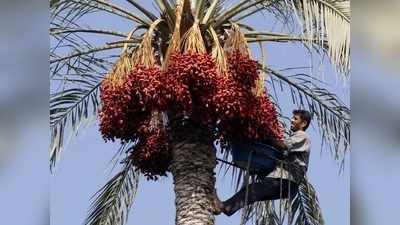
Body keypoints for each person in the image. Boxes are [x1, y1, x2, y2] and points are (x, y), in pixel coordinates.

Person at [213, 109, 312, 216]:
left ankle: (224, 206)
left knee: (253, 191)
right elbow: (278, 155)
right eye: (292, 118)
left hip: (286, 181)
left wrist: (265, 134)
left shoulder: (302, 136)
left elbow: (282, 146)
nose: (291, 120)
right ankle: (227, 207)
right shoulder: (294, 137)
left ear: (304, 123)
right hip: (284, 183)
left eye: (295, 119)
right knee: (251, 192)